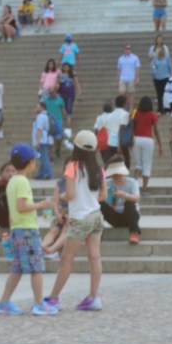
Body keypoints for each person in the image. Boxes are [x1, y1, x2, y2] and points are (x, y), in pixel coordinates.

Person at [44, 131, 107, 311]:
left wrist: (62, 195)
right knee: (95, 257)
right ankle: (94, 297)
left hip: (80, 218)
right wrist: (88, 197)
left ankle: (54, 298)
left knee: (66, 259)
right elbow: (103, 196)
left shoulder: (72, 166)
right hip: (96, 215)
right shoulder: (99, 169)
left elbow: (70, 194)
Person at [0, 144, 59, 316]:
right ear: (29, 162)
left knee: (17, 269)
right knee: (37, 267)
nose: (35, 163)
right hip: (27, 229)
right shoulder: (22, 182)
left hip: (17, 228)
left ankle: (3, 302)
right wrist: (42, 204)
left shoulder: (12, 181)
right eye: (33, 160)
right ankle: (39, 304)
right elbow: (21, 206)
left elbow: (14, 209)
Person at [100, 154, 142, 244]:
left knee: (129, 203)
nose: (114, 176)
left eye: (116, 174)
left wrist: (124, 195)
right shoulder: (107, 183)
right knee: (100, 205)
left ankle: (134, 233)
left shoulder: (132, 182)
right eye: (112, 174)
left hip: (130, 216)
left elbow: (137, 198)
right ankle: (98, 234)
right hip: (114, 217)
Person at [131, 96, 162, 191]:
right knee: (147, 165)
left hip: (136, 139)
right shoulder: (152, 114)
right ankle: (144, 188)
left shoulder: (135, 113)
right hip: (148, 140)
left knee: (138, 165)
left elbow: (132, 126)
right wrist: (160, 145)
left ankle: (133, 186)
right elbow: (156, 131)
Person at [32, 101, 54, 180]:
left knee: (44, 158)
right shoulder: (45, 115)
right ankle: (41, 174)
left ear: (42, 107)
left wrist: (37, 141)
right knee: (43, 157)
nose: (36, 108)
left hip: (42, 140)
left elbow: (39, 129)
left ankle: (49, 173)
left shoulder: (41, 116)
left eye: (37, 107)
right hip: (46, 139)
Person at [117, 43, 140, 110]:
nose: (128, 50)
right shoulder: (120, 59)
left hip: (131, 78)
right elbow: (119, 70)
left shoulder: (135, 58)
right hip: (122, 78)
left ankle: (131, 107)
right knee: (122, 93)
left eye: (129, 48)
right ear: (124, 49)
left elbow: (137, 69)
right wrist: (117, 80)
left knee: (131, 94)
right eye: (127, 48)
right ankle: (123, 106)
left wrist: (137, 78)